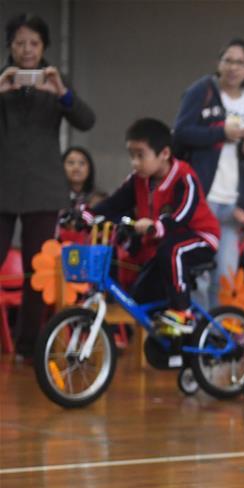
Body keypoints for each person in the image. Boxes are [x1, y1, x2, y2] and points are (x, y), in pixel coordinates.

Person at [0, 13, 95, 359]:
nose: (27, 50)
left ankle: (27, 347)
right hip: (3, 184)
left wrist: (62, 91)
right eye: (20, 42)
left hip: (43, 187)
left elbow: (86, 120)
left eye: (34, 43)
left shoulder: (55, 82)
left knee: (36, 269)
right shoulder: (3, 80)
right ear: (9, 46)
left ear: (44, 47)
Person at [89, 119, 220, 335]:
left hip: (200, 237)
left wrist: (158, 226)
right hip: (162, 243)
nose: (134, 162)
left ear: (165, 153)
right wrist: (86, 213)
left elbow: (183, 212)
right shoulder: (138, 180)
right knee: (141, 295)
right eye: (131, 155)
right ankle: (173, 340)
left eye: (141, 155)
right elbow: (114, 204)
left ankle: (183, 312)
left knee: (173, 250)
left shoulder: (184, 177)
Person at [172, 38, 244, 307]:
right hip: (203, 196)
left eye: (239, 62)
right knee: (201, 273)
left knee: (226, 276)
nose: (232, 67)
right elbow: (181, 133)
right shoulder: (202, 90)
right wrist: (220, 133)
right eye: (227, 60)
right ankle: (196, 334)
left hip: (232, 200)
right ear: (219, 64)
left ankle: (216, 337)